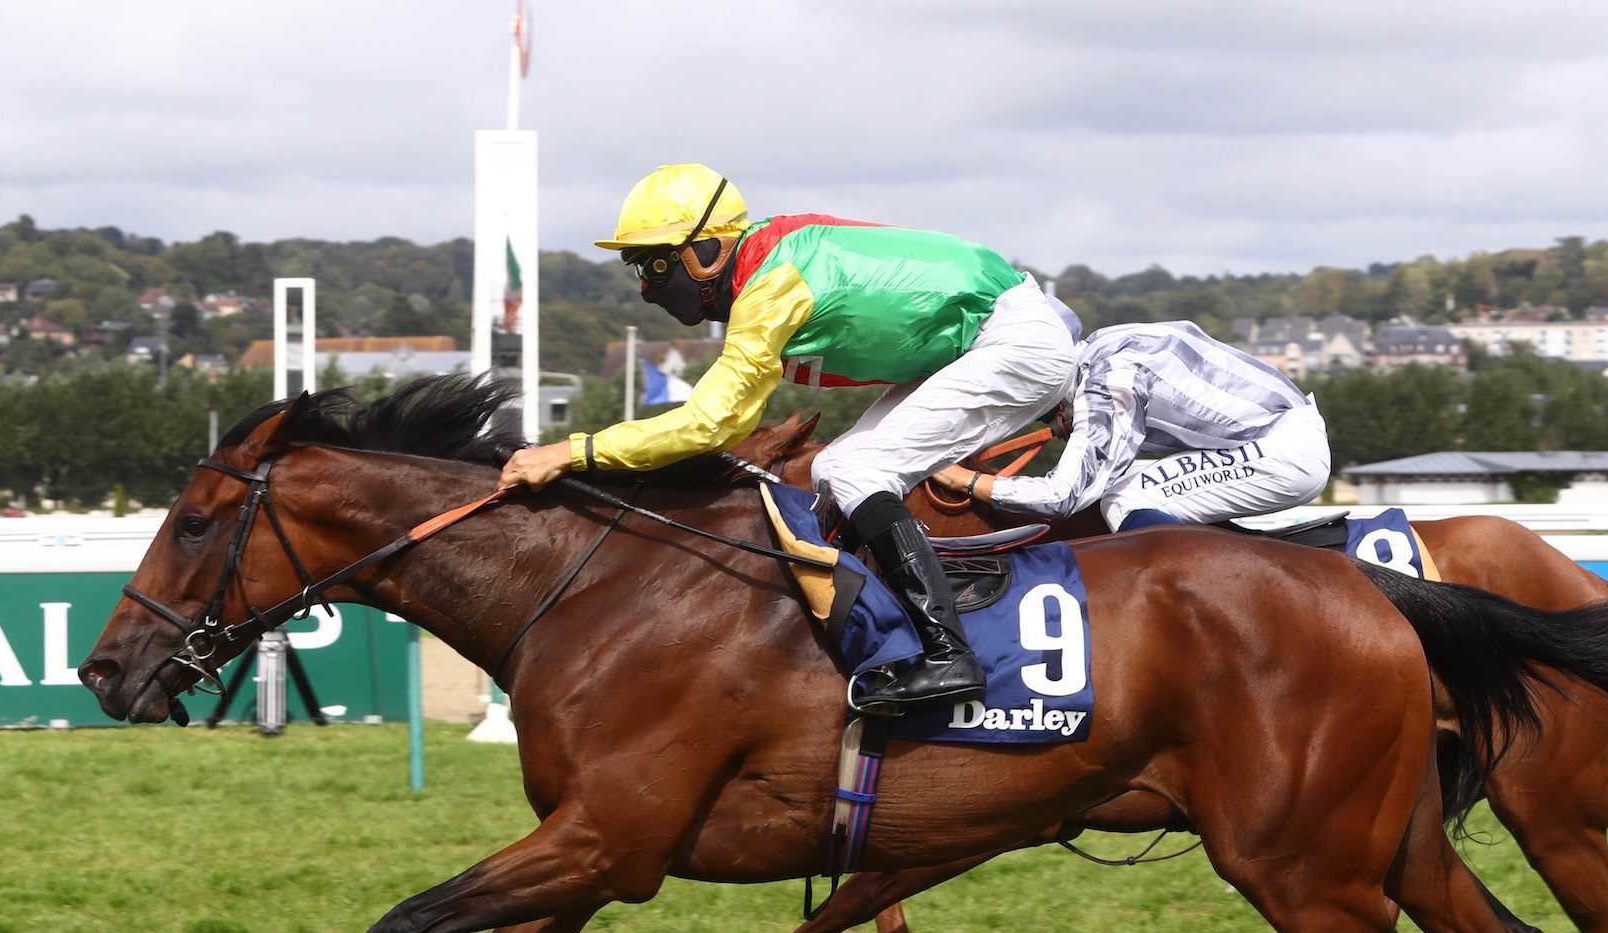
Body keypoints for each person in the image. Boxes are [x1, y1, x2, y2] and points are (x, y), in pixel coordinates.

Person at [500, 164, 1075, 713]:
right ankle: (894, 629)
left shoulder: (772, 284)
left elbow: (711, 424)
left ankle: (950, 656)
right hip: (991, 336)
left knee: (855, 473)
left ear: (705, 252)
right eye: (637, 270)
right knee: (834, 470)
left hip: (1008, 342)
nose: (648, 289)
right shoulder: (766, 258)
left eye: (653, 267)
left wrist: (572, 451)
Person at [935, 321, 1331, 533]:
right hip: (1282, 434)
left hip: (1280, 452)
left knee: (1126, 502)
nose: (1052, 420)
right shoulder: (1106, 345)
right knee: (1127, 491)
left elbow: (1062, 497)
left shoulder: (1106, 384)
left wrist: (964, 481)